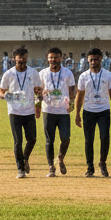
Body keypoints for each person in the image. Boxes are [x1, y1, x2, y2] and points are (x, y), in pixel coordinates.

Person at [74, 47, 111, 178]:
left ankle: (102, 162)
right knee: (89, 140)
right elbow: (80, 95)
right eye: (91, 60)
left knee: (105, 137)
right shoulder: (83, 76)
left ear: (101, 59)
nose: (93, 62)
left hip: (104, 111)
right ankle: (90, 167)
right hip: (88, 111)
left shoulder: (107, 75)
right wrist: (77, 114)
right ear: (88, 61)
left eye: (95, 59)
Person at [0, 46, 42, 179]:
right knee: (18, 141)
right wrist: (7, 96)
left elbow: (38, 91)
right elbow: (1, 92)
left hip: (29, 111)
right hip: (14, 111)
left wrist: (38, 105)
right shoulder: (8, 74)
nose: (22, 63)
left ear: (27, 58)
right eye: (19, 60)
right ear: (14, 59)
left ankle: (25, 158)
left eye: (24, 60)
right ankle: (20, 169)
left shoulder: (34, 73)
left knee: (32, 139)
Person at [37, 47, 75, 177]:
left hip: (63, 111)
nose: (53, 60)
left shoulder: (68, 73)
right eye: (51, 57)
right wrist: (38, 106)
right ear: (47, 59)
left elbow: (71, 91)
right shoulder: (42, 73)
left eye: (56, 57)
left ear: (61, 58)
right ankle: (51, 167)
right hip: (48, 110)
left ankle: (60, 157)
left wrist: (71, 104)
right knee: (49, 140)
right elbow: (37, 92)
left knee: (65, 138)